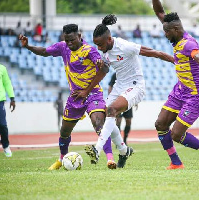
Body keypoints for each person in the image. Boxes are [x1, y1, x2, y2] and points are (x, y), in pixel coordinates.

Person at [19, 24, 117, 170]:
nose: (69, 43)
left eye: (72, 40)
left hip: (93, 93)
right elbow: (45, 51)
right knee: (64, 131)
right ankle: (61, 159)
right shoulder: (62, 47)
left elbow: (104, 69)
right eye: (67, 40)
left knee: (98, 123)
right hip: (75, 96)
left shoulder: (89, 51)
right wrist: (28, 47)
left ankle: (110, 159)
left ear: (79, 36)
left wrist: (101, 66)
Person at [84, 14, 174, 168]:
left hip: (136, 85)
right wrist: (87, 90)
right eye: (96, 45)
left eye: (100, 44)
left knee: (112, 110)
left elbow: (154, 53)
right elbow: (104, 71)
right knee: (107, 115)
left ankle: (97, 149)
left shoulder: (125, 46)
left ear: (109, 39)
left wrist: (175, 60)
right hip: (120, 85)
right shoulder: (105, 51)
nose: (98, 48)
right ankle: (124, 150)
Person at [151, 0, 199, 170]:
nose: (165, 35)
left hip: (196, 95)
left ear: (175, 30)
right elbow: (160, 12)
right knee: (160, 124)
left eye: (166, 32)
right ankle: (176, 162)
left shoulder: (189, 44)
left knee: (176, 134)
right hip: (180, 90)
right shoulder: (174, 32)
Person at [108, 73, 133, 144]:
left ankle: (125, 139)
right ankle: (119, 142)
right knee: (118, 121)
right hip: (118, 101)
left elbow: (133, 88)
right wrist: (111, 99)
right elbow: (110, 87)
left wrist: (135, 101)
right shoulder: (115, 75)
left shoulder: (130, 75)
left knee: (128, 121)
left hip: (128, 101)